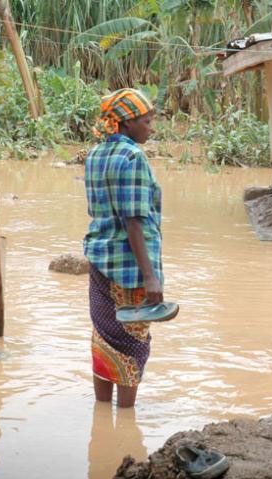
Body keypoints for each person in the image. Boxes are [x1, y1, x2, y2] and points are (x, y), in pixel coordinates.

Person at [83, 88, 162, 407]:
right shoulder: (132, 157)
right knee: (133, 342)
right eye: (147, 120)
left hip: (99, 261)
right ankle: (126, 418)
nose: (151, 127)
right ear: (127, 124)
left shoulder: (94, 154)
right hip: (130, 270)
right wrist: (151, 276)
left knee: (104, 336)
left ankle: (102, 414)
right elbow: (133, 222)